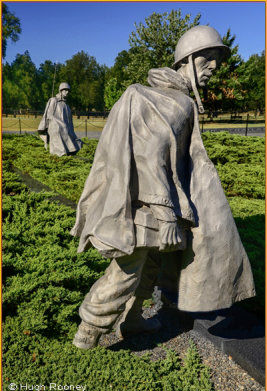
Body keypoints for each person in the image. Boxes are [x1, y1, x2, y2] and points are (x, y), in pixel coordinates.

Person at [70, 26, 255, 349]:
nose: (214, 67)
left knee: (151, 266)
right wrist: (167, 214)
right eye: (208, 59)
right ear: (188, 59)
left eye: (216, 60)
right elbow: (149, 157)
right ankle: (88, 331)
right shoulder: (169, 102)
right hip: (148, 207)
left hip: (155, 205)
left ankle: (134, 318)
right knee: (127, 269)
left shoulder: (171, 98)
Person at [38, 82, 82, 156]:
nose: (67, 92)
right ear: (60, 91)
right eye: (65, 90)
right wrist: (60, 123)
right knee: (61, 128)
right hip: (53, 125)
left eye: (68, 90)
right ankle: (61, 152)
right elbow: (49, 115)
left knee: (68, 131)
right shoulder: (54, 100)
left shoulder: (67, 106)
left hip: (64, 128)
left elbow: (70, 123)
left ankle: (71, 150)